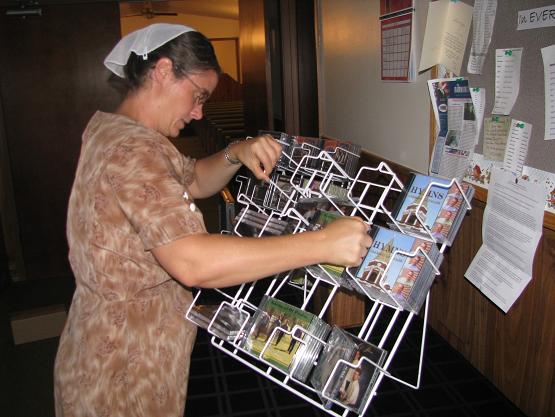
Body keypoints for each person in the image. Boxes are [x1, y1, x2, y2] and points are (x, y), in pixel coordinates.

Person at [53, 23, 372, 417]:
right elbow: (193, 262)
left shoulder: (115, 130)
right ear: (164, 71)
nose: (199, 112)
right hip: (126, 359)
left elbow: (191, 180)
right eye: (198, 95)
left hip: (102, 339)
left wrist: (235, 152)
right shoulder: (134, 149)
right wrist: (321, 243)